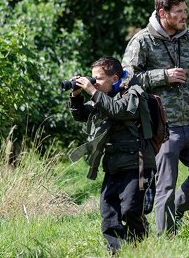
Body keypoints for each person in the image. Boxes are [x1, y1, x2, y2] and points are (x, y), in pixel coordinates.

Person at [122, 0, 189, 235]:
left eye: (185, 11)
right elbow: (126, 81)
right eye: (178, 12)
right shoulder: (142, 41)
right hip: (161, 127)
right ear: (162, 13)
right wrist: (163, 76)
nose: (184, 16)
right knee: (165, 187)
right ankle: (166, 240)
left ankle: (176, 212)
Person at [68, 56, 156, 253]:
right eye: (92, 79)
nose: (94, 83)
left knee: (131, 209)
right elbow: (82, 115)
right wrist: (75, 96)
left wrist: (92, 91)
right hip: (113, 163)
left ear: (114, 78)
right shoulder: (103, 96)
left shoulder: (134, 92)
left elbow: (118, 110)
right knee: (109, 212)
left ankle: (138, 247)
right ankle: (115, 252)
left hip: (137, 161)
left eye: (98, 79)